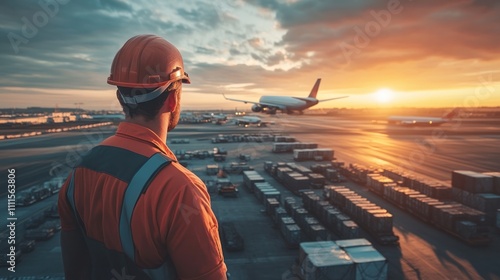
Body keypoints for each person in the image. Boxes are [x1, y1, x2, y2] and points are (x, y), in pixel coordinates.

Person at [58, 34, 227, 280]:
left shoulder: (79, 172)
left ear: (119, 98)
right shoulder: (180, 190)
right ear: (173, 99)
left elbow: (74, 269)